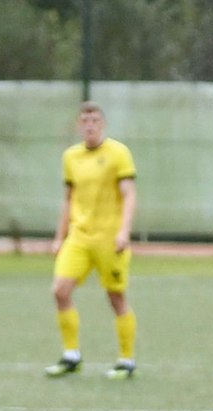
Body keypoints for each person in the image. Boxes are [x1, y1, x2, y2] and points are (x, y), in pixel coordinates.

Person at [44, 102, 138, 380]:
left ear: (103, 124)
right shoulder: (71, 157)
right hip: (79, 237)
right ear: (78, 125)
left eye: (95, 120)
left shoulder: (118, 153)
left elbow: (129, 195)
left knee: (116, 297)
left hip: (109, 239)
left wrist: (124, 232)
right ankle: (71, 356)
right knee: (60, 291)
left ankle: (126, 360)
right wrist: (59, 237)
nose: (90, 126)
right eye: (85, 121)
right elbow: (68, 199)